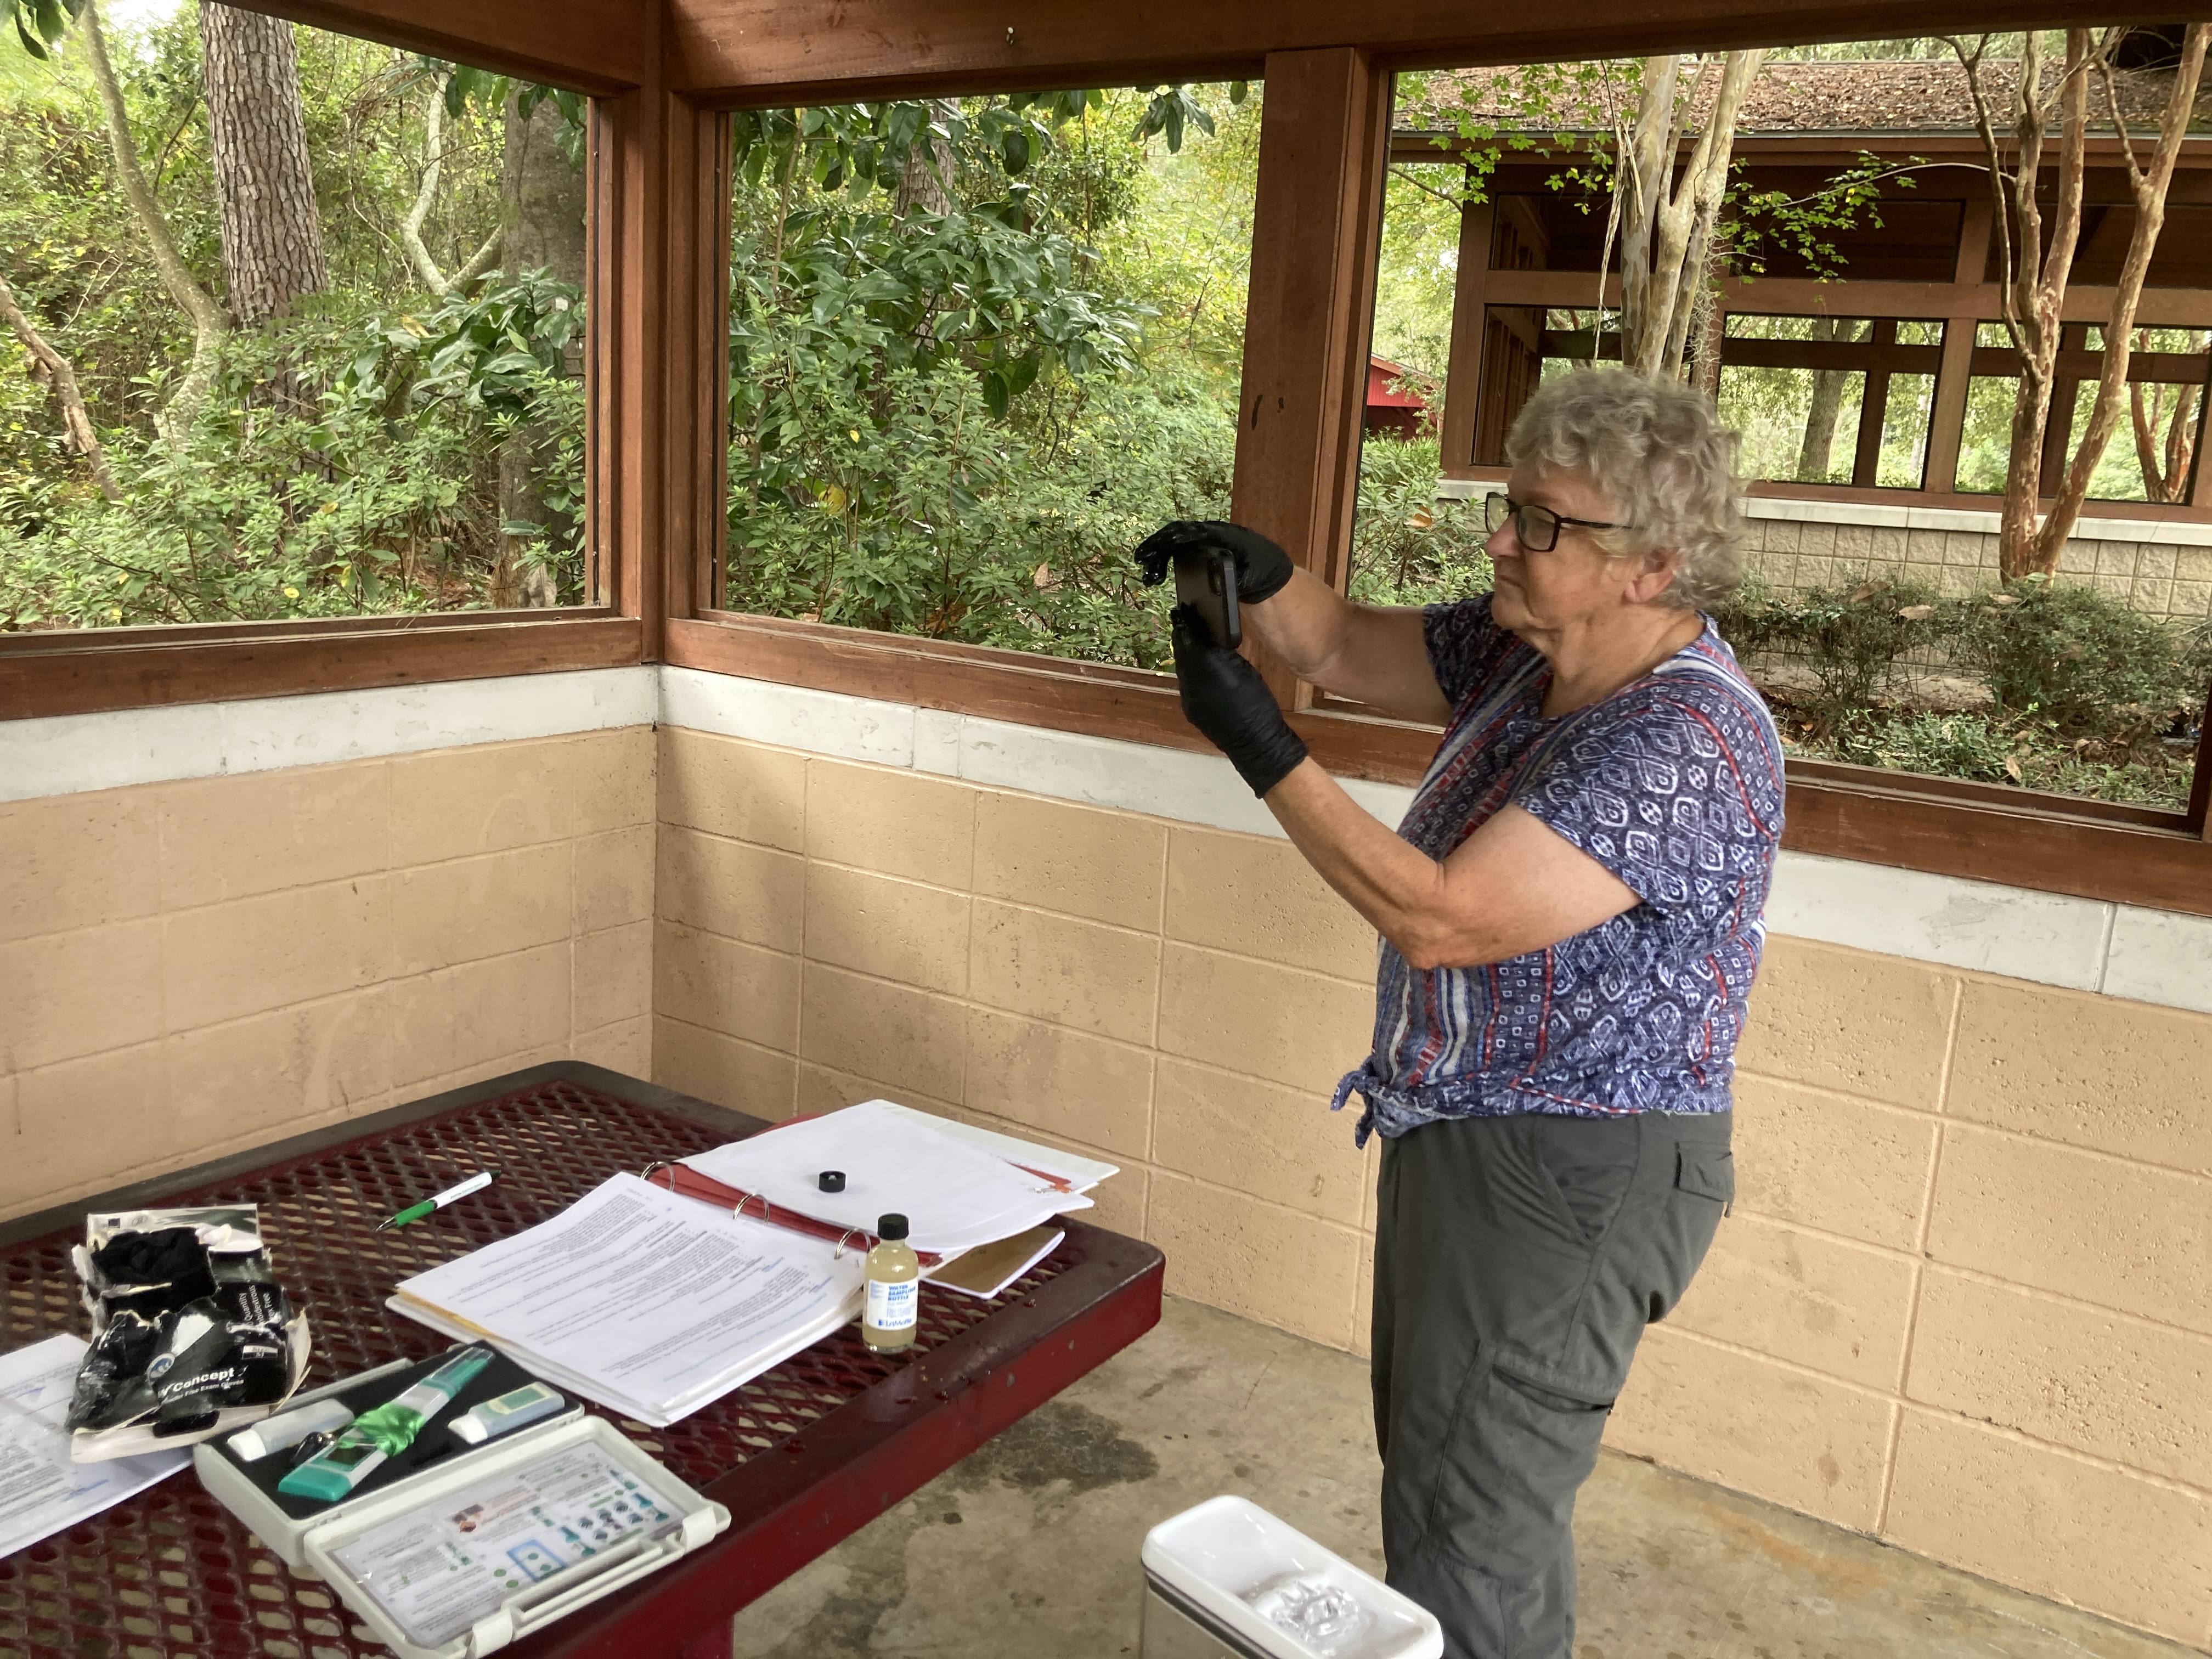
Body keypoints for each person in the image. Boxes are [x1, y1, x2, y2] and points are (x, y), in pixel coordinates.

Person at [1136, 369, 1782, 1659]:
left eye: (1543, 522)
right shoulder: (1525, 652)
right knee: (1436, 1472)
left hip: (1573, 1177)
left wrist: (1267, 750)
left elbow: (1448, 916)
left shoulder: (1682, 740)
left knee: (1470, 1516)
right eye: (1510, 504)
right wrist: (1259, 577)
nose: (1502, 537)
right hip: (1477, 1134)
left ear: (1649, 566)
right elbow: (1339, 648)